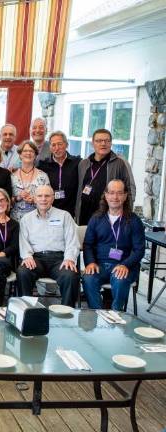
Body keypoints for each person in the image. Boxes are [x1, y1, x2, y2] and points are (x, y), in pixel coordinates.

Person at [82, 180, 145, 311]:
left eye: (119, 193)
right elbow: (87, 245)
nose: (115, 197)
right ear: (105, 195)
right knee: (88, 279)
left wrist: (125, 264)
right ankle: (98, 314)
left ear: (125, 196)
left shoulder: (134, 221)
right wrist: (90, 262)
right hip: (100, 265)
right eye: (111, 193)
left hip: (125, 266)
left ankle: (117, 315)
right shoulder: (96, 218)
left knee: (120, 278)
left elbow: (139, 250)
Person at [17, 185, 80, 307]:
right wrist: (27, 256)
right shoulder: (26, 219)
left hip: (59, 260)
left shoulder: (64, 216)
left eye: (47, 196)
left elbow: (72, 240)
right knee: (23, 272)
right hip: (36, 259)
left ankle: (67, 312)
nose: (43, 199)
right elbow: (23, 241)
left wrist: (69, 259)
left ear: (52, 198)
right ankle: (26, 309)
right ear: (34, 199)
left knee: (70, 275)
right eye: (39, 196)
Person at [75, 128, 135, 225]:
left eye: (107, 141)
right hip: (84, 216)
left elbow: (130, 189)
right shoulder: (84, 163)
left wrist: (126, 215)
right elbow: (79, 191)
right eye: (99, 141)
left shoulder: (120, 163)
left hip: (108, 217)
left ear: (111, 143)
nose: (103, 144)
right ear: (92, 144)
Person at [37, 131, 80, 216]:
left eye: (60, 144)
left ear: (66, 145)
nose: (57, 148)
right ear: (50, 147)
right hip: (49, 210)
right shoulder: (43, 165)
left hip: (70, 211)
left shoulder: (77, 163)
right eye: (53, 145)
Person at [10, 141, 50, 221]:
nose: (28, 153)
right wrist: (17, 198)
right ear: (20, 155)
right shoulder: (11, 176)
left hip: (37, 220)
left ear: (35, 155)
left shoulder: (43, 176)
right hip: (16, 221)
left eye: (31, 151)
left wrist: (35, 200)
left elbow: (49, 199)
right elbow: (6, 201)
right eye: (25, 151)